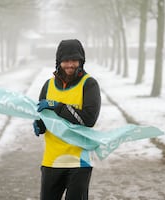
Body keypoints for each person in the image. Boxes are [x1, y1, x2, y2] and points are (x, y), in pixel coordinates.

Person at [33, 39, 101, 200]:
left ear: (81, 61)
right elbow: (44, 116)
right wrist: (40, 125)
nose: (70, 65)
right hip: (52, 160)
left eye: (74, 60)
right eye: (66, 60)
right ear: (59, 62)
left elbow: (88, 119)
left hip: (79, 162)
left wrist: (58, 106)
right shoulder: (48, 85)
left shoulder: (89, 84)